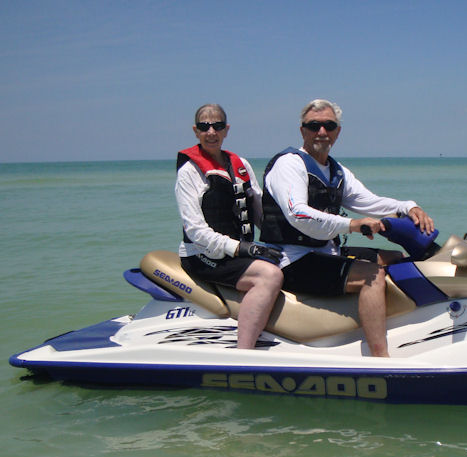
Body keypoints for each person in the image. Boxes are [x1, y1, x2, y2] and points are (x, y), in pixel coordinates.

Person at [260, 99, 434, 357]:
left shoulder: (336, 171)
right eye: (314, 126)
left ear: (338, 131)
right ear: (302, 130)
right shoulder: (289, 164)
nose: (322, 132)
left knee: (396, 258)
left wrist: (409, 207)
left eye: (329, 126)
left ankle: (412, 328)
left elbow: (370, 202)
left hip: (324, 251)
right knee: (372, 276)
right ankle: (380, 359)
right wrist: (351, 225)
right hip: (291, 259)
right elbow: (298, 214)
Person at [175, 103, 283, 349]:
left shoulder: (240, 164)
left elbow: (259, 211)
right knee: (269, 276)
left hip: (237, 253)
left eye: (217, 126)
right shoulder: (189, 172)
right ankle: (244, 353)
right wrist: (241, 248)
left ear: (226, 130)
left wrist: (289, 238)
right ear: (195, 131)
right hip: (202, 255)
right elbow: (195, 230)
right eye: (204, 126)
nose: (211, 132)